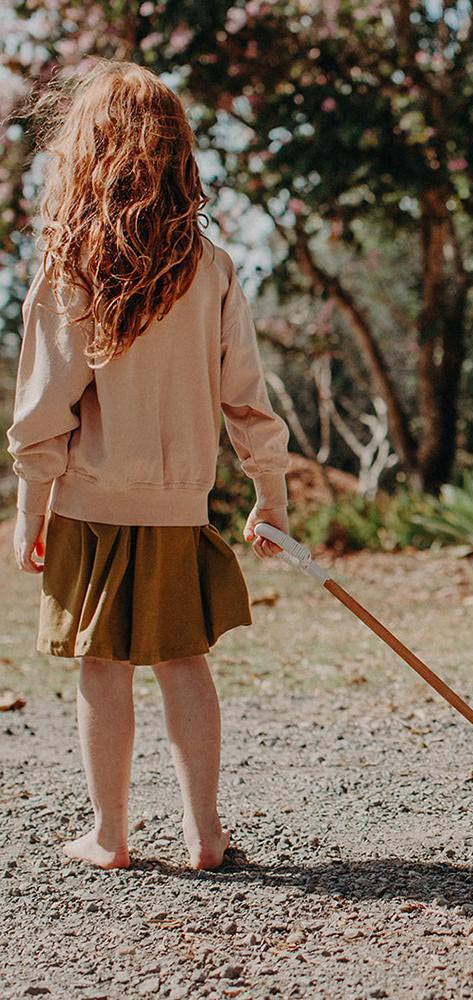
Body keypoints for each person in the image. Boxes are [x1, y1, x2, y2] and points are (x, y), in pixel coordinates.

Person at [6, 60, 291, 871]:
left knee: (103, 668)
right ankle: (205, 834)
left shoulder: (72, 270)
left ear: (87, 153)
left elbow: (43, 411)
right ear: (176, 154)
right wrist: (268, 491)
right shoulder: (210, 267)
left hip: (91, 508)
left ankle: (111, 835)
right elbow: (248, 397)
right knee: (184, 662)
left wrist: (32, 507)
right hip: (180, 506)